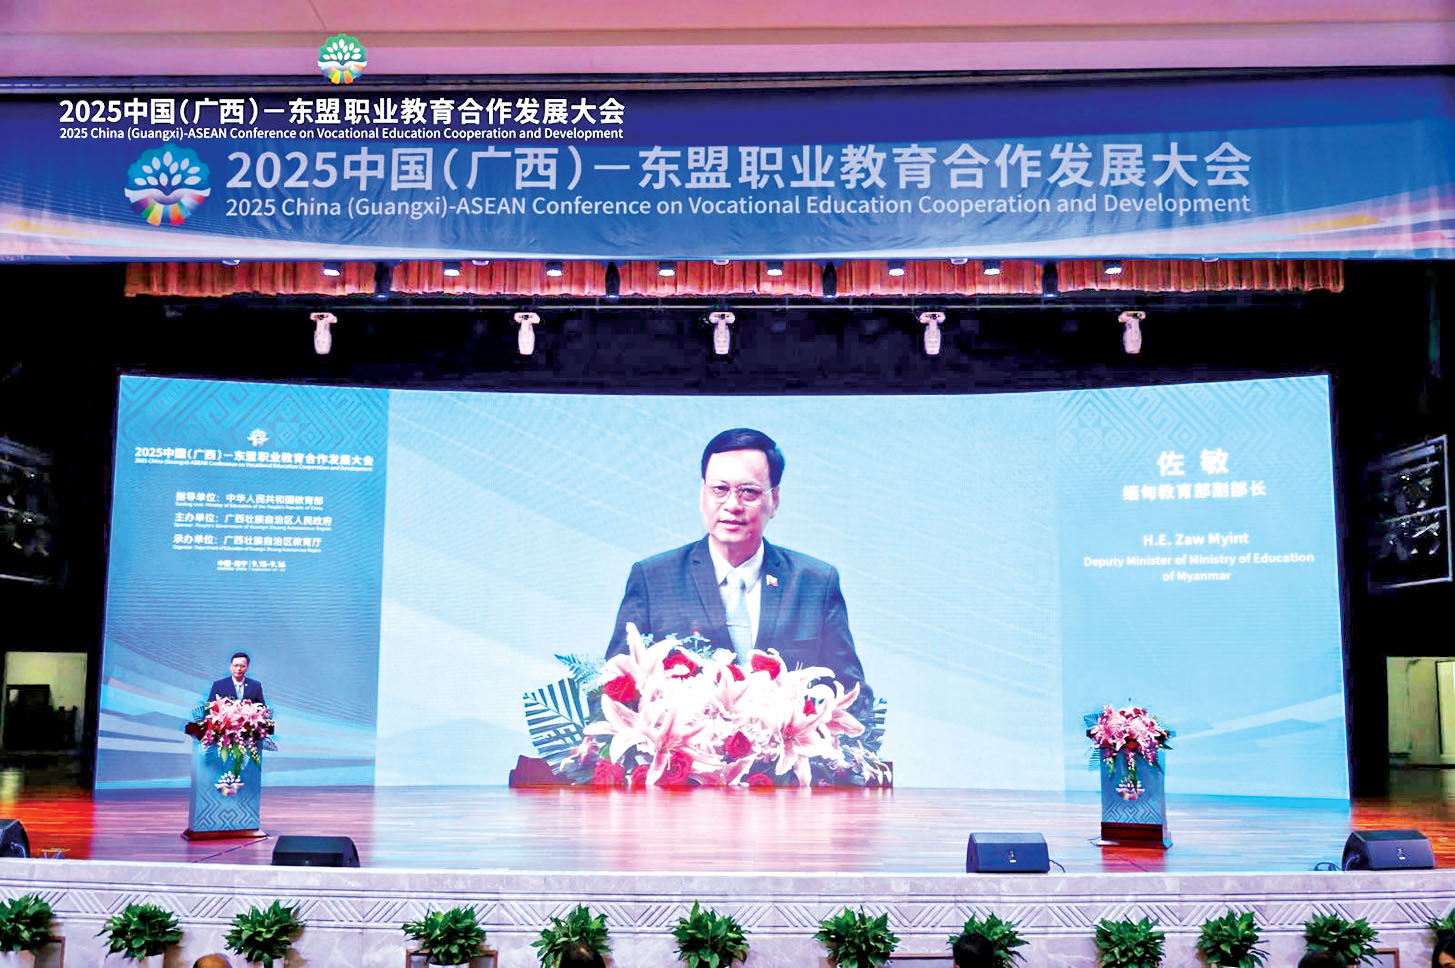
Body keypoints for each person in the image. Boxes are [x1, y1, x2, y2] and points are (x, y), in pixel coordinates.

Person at [606, 428, 873, 718]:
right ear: (703, 494)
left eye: (749, 492)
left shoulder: (815, 583)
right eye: (720, 490)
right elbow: (611, 688)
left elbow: (852, 695)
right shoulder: (654, 579)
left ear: (775, 500)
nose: (733, 505)